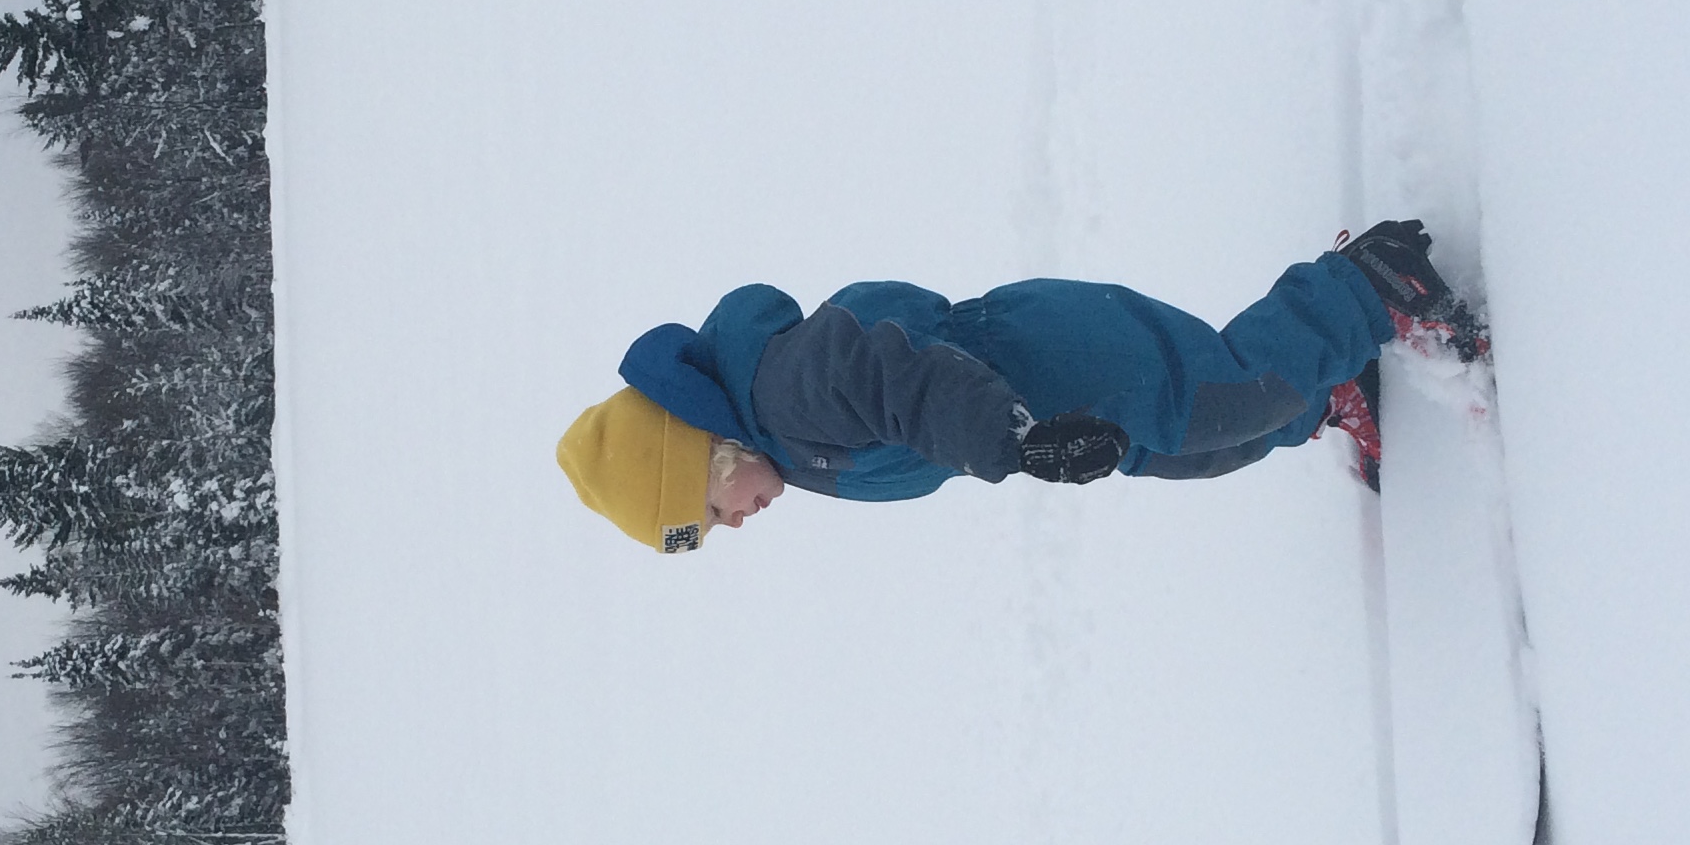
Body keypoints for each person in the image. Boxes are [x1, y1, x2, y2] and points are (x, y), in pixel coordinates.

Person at [555, 219, 1481, 555]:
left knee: (1226, 396)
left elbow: (900, 381)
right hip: (1038, 394)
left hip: (1050, 358)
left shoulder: (787, 389)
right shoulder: (784, 439)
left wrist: (1010, 442)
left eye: (715, 514)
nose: (739, 524)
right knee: (1196, 445)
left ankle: (1374, 284)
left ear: (707, 454)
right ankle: (1329, 388)